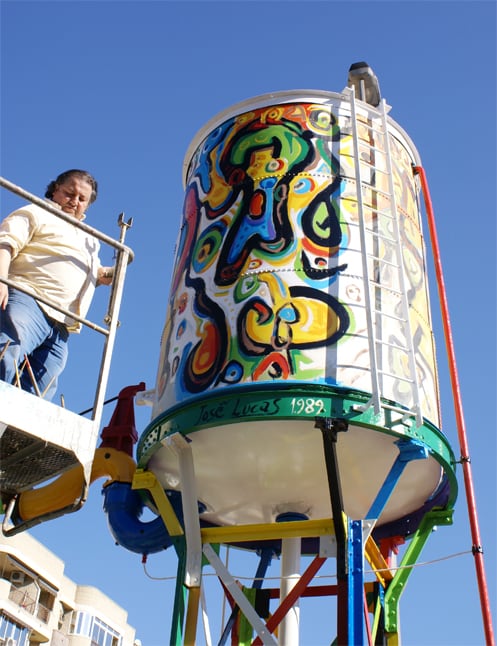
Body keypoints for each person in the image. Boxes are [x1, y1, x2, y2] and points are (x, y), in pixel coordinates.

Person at [0, 169, 114, 401]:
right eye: (69, 193)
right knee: (6, 354)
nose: (74, 201)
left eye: (82, 199)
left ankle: (9, 435)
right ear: (55, 190)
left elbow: (97, 274)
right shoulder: (37, 211)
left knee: (40, 387)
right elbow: (6, 243)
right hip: (29, 299)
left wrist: (114, 271)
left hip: (62, 324)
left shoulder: (89, 239)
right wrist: (1, 280)